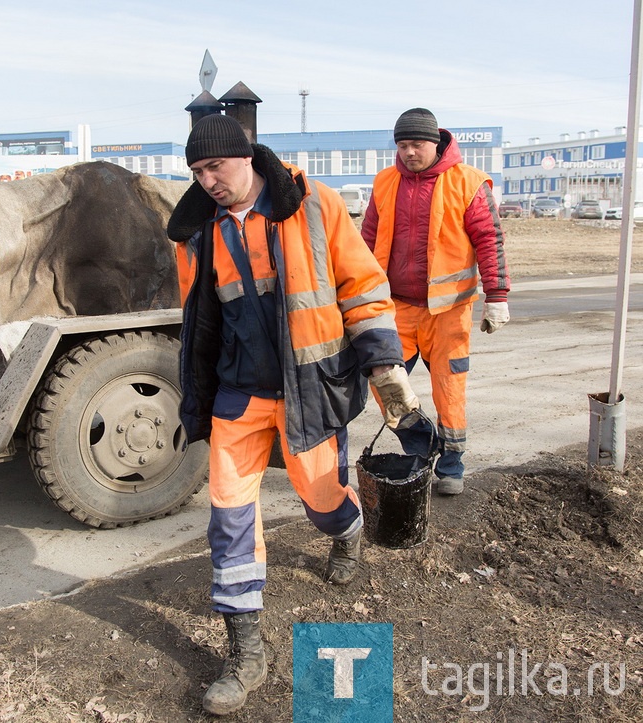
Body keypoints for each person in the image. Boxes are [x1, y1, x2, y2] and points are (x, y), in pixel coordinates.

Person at [166, 113, 419, 716]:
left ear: (247, 156)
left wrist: (384, 363)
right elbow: (198, 319)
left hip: (309, 389)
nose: (208, 182)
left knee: (321, 496)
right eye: (197, 172)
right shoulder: (195, 234)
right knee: (228, 513)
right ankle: (247, 651)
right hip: (238, 396)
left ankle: (347, 532)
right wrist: (197, 392)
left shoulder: (313, 204)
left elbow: (362, 286)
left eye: (216, 168)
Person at [361, 107, 511, 496]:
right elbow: (365, 242)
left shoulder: (469, 182)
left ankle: (451, 466)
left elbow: (489, 239)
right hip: (396, 308)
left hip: (449, 311)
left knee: (449, 388)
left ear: (436, 143)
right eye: (402, 145)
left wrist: (496, 295)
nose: (409, 152)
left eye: (417, 144)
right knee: (385, 384)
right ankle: (423, 447)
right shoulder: (384, 182)